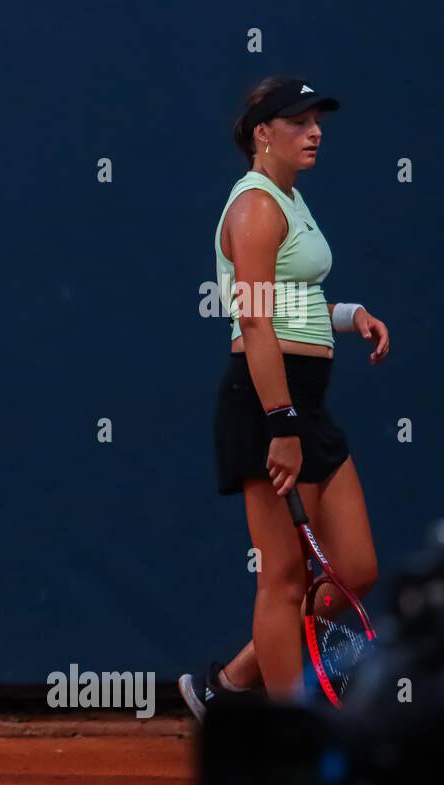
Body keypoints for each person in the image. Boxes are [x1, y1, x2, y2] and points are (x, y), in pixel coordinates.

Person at [179, 77, 390, 719]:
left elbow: (291, 302)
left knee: (353, 570)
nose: (315, 132)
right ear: (261, 134)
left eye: (317, 120)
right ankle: (290, 737)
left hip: (307, 403)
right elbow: (254, 320)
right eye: (298, 122)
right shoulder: (255, 208)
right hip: (267, 402)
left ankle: (231, 682)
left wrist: (351, 316)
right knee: (283, 578)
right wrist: (281, 423)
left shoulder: (289, 200)